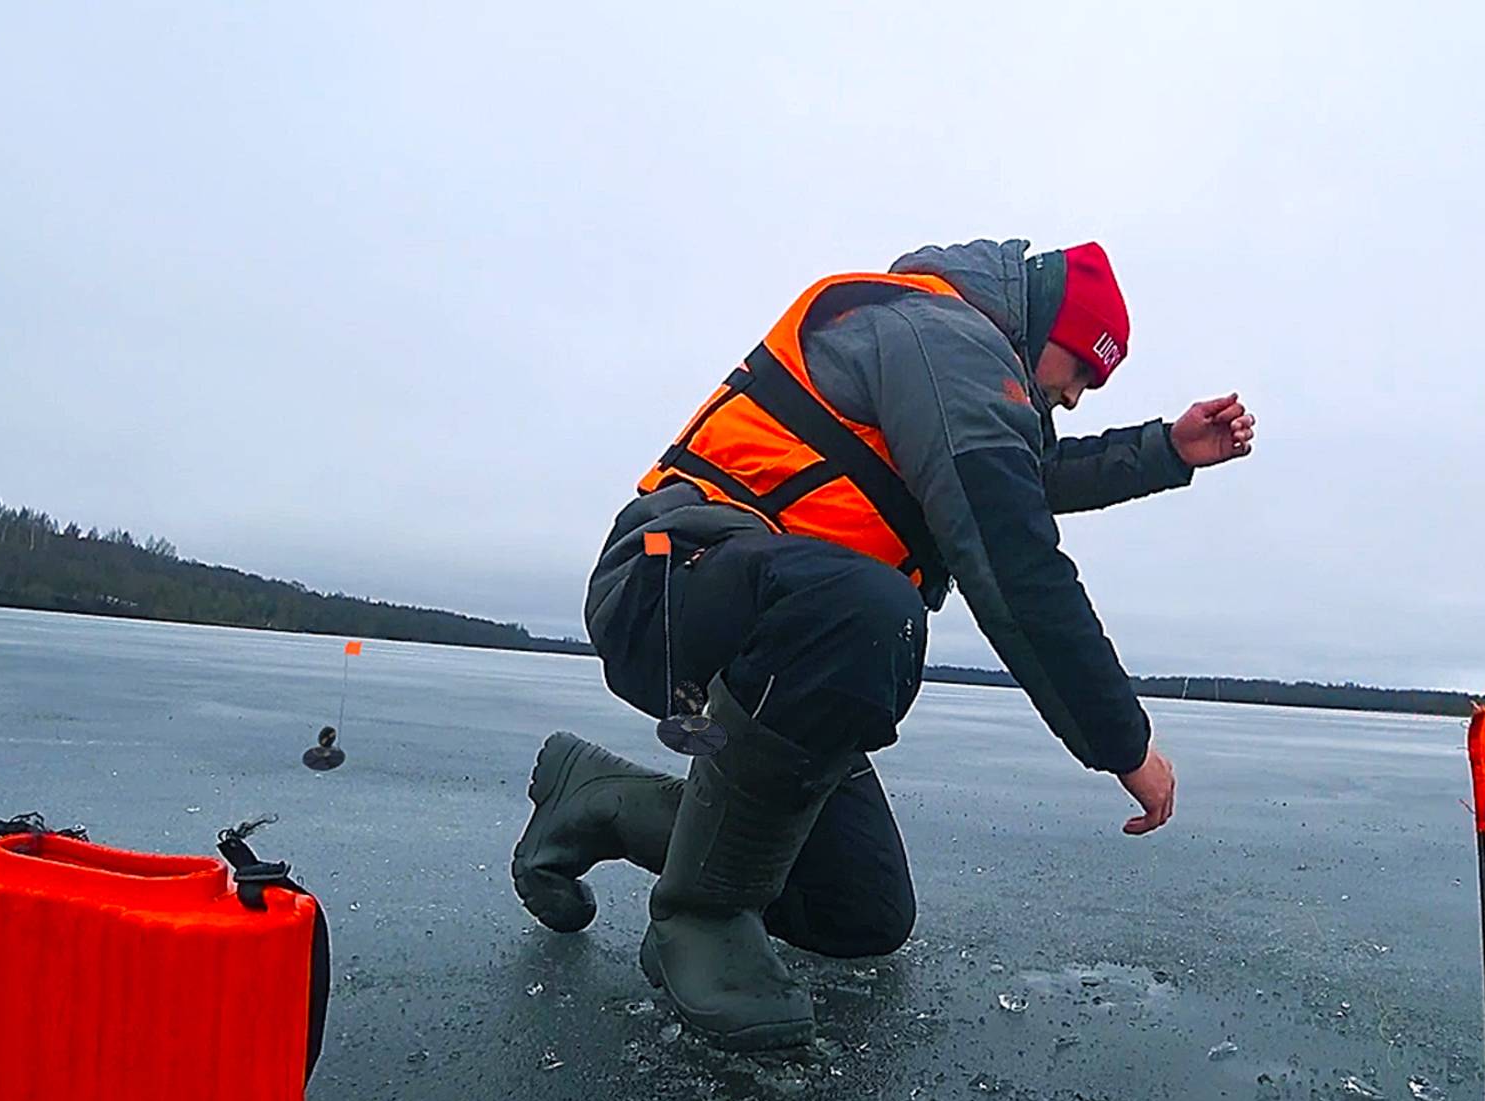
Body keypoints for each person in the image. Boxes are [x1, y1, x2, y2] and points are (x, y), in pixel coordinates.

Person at [511, 239, 1255, 1050]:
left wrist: (1163, 451)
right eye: (1079, 369)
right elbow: (1011, 551)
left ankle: (598, 799)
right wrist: (1125, 744)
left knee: (862, 910)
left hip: (785, 643)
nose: (1075, 397)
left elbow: (1019, 475)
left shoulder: (953, 367)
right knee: (877, 605)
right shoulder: (942, 337)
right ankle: (704, 915)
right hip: (669, 588)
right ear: (1039, 323)